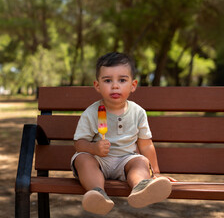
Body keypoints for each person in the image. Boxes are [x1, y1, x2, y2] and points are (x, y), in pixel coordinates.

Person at [71, 52, 175, 215]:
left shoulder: (138, 112)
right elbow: (79, 144)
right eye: (107, 80)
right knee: (82, 158)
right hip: (99, 160)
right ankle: (98, 193)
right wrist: (94, 148)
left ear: (133, 85)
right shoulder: (92, 112)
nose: (115, 85)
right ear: (97, 85)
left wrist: (156, 173)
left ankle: (140, 188)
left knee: (140, 161)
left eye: (122, 80)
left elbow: (146, 145)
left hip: (126, 160)